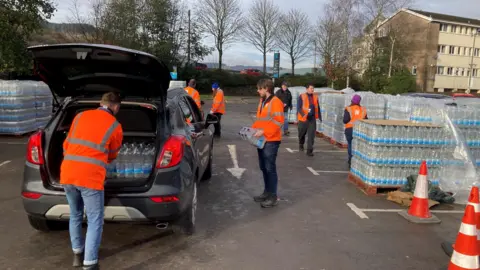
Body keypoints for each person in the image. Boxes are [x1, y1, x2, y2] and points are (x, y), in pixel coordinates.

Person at [60, 92, 123, 270]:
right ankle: (90, 263)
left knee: (75, 214)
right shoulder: (115, 125)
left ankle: (77, 253)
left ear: (100, 103)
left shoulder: (80, 116)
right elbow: (112, 155)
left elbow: (66, 144)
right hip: (90, 177)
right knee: (95, 219)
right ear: (116, 107)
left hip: (68, 173)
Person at [252, 78, 284, 208]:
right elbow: (261, 119)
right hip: (262, 139)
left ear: (266, 88)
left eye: (260, 88)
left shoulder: (276, 102)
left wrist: (263, 131)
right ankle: (267, 192)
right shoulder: (262, 101)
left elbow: (279, 121)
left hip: (271, 140)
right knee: (263, 167)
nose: (258, 91)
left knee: (270, 168)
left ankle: (273, 196)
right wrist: (252, 129)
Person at [297, 83, 321, 156]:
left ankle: (309, 150)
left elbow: (317, 107)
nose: (312, 90)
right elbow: (299, 107)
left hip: (312, 118)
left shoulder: (315, 97)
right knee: (301, 133)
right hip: (303, 118)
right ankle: (301, 143)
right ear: (307, 89)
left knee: (311, 135)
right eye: (311, 88)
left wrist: (320, 116)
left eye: (313, 88)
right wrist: (303, 115)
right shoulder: (302, 96)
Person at [343, 94, 367, 168]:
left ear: (352, 100)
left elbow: (345, 120)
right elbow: (366, 120)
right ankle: (358, 161)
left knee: (350, 145)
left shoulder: (348, 108)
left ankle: (351, 160)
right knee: (358, 146)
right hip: (360, 130)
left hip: (350, 129)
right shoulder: (363, 109)